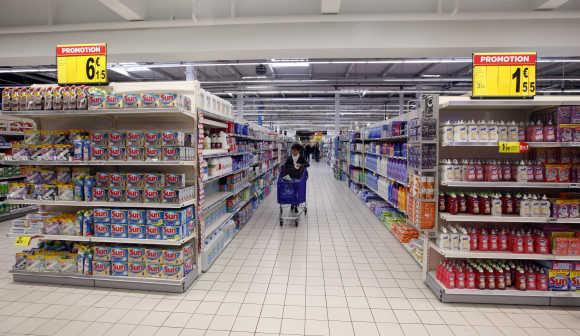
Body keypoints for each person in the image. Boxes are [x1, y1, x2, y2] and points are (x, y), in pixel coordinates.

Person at [283, 143, 309, 212]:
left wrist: (301, 165)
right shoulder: (289, 158)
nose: (293, 152)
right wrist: (286, 177)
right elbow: (285, 167)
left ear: (298, 151)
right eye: (292, 150)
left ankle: (296, 205)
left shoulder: (301, 157)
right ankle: (293, 203)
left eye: (295, 150)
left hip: (298, 178)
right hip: (290, 178)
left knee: (297, 191)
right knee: (292, 191)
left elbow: (307, 164)